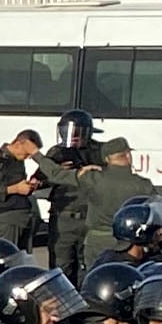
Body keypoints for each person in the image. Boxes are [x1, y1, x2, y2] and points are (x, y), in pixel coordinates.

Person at [77, 136, 154, 264]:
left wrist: (85, 170)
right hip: (127, 244)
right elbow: (155, 211)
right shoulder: (143, 184)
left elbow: (75, 177)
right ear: (128, 156)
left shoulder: (93, 179)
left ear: (107, 159)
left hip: (96, 242)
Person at [42, 112, 101, 272]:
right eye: (69, 132)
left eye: (78, 133)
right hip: (63, 218)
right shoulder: (57, 152)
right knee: (61, 267)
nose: (74, 137)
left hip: (90, 218)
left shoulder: (99, 151)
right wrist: (58, 172)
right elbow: (39, 181)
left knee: (88, 267)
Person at [0, 131, 50, 250]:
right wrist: (15, 189)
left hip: (23, 218)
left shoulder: (17, 160)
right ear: (18, 144)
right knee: (6, 257)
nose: (28, 157)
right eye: (27, 153)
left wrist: (30, 186)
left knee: (22, 262)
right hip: (6, 219)